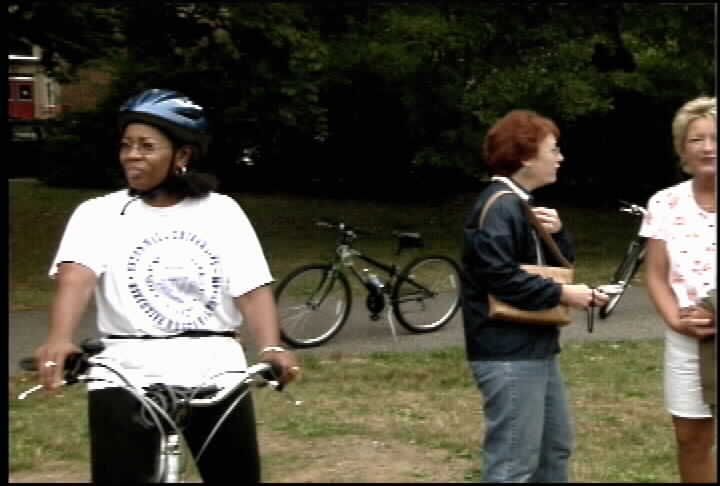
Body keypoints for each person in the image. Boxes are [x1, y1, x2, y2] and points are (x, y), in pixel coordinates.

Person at [32, 88, 300, 484]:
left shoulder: (221, 212)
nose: (131, 155)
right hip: (126, 372)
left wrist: (271, 346)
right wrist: (59, 338)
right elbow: (77, 277)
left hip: (216, 372)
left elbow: (251, 288)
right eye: (126, 145)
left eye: (146, 146)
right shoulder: (98, 214)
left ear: (183, 155)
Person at [461, 109, 609, 483]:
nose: (561, 157)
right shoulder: (498, 207)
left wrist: (556, 234)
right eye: (553, 149)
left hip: (536, 348)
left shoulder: (519, 204)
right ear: (526, 156)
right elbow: (500, 278)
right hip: (507, 353)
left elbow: (555, 263)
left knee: (552, 451)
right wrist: (564, 294)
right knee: (513, 465)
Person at [640, 96, 716, 483]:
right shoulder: (665, 203)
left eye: (715, 137)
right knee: (691, 438)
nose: (708, 148)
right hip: (686, 339)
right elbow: (654, 274)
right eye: (696, 139)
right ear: (682, 148)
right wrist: (675, 320)